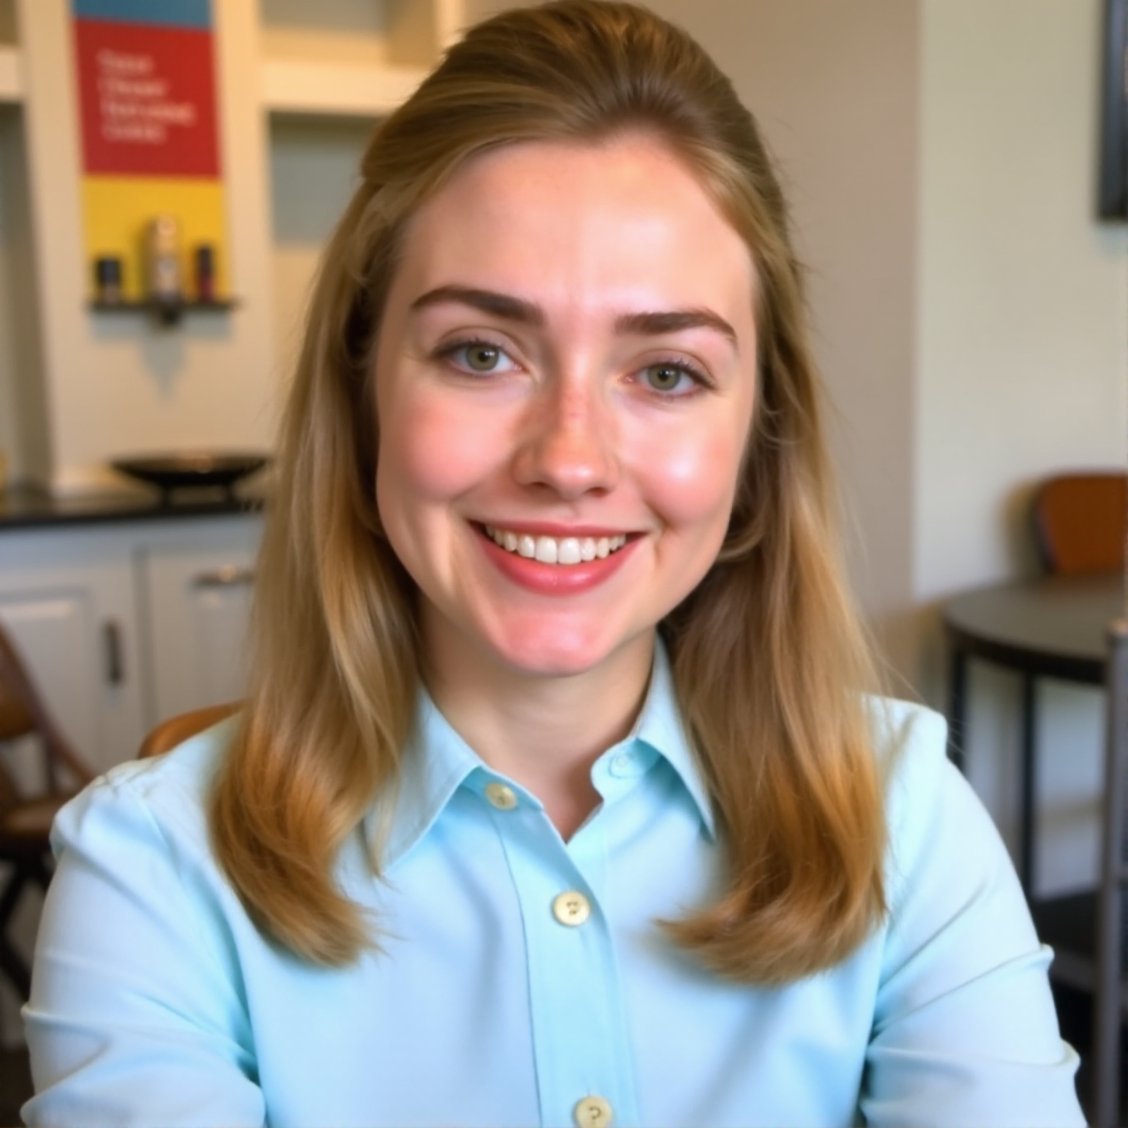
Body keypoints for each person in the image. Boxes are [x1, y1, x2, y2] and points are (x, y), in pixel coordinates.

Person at [23, 2, 1084, 1125]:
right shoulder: (152, 870)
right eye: (482, 354)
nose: (569, 461)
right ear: (362, 396)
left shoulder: (905, 823)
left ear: (756, 438)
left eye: (667, 372)